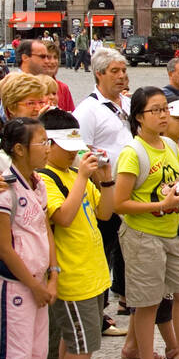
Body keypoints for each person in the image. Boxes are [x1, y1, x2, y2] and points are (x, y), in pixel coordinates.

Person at [113, 86, 179, 359]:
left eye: (165, 109)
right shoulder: (133, 153)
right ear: (139, 117)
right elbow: (120, 203)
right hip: (143, 235)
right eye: (157, 110)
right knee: (148, 303)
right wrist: (160, 205)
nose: (164, 115)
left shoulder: (168, 145)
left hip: (170, 232)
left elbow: (173, 181)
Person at [39, 112, 116, 359]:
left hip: (93, 271)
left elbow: (105, 212)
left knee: (76, 340)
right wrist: (83, 176)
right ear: (46, 144)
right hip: (71, 275)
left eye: (75, 145)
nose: (73, 152)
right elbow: (64, 217)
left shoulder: (73, 174)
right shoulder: (46, 178)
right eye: (65, 146)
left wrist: (106, 175)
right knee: (82, 343)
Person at [0, 117, 57, 359]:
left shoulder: (39, 184)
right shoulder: (4, 189)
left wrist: (52, 274)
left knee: (35, 350)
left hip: (39, 282)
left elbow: (45, 228)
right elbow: (5, 246)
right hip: (14, 285)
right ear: (18, 149)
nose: (47, 149)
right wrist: (33, 285)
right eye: (41, 143)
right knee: (11, 352)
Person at [73, 48, 132, 332]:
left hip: (129, 189)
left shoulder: (129, 104)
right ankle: (98, 312)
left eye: (123, 71)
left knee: (125, 247)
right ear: (99, 74)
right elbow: (78, 152)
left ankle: (125, 297)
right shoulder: (88, 110)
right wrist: (99, 182)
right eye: (114, 72)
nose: (121, 76)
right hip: (103, 191)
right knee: (105, 249)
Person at [0, 75, 49, 171]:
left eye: (40, 102)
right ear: (11, 108)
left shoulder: (46, 134)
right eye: (31, 103)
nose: (38, 108)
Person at [43, 40, 76, 112]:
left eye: (55, 57)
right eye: (48, 57)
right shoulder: (31, 87)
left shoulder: (63, 88)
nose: (53, 62)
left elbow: (71, 118)